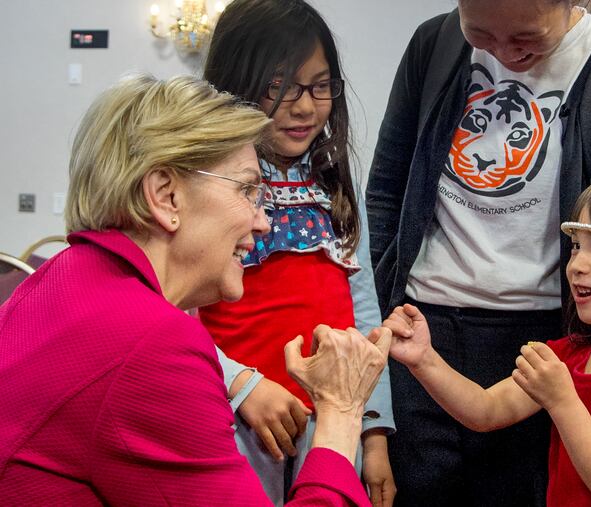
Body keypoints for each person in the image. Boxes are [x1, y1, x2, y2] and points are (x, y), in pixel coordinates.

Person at [365, 0, 591, 505]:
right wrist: (402, 334)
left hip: (544, 327)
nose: (502, 52)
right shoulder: (433, 45)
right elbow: (387, 188)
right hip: (428, 319)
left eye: (524, 37)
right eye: (479, 32)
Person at [0, 73, 390, 506]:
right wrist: (340, 412)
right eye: (247, 190)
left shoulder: (57, 276)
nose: (263, 223)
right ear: (166, 196)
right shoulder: (153, 343)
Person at [384, 166, 591, 506]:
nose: (576, 264)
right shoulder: (570, 355)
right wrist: (424, 359)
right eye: (576, 246)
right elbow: (485, 411)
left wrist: (562, 401)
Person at [200, 1, 395, 505]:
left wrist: (372, 432)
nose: (305, 106)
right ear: (233, 81)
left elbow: (364, 311)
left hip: (332, 422)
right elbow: (174, 312)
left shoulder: (334, 184)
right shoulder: (209, 184)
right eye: (280, 87)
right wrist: (241, 387)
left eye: (321, 85)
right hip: (237, 416)